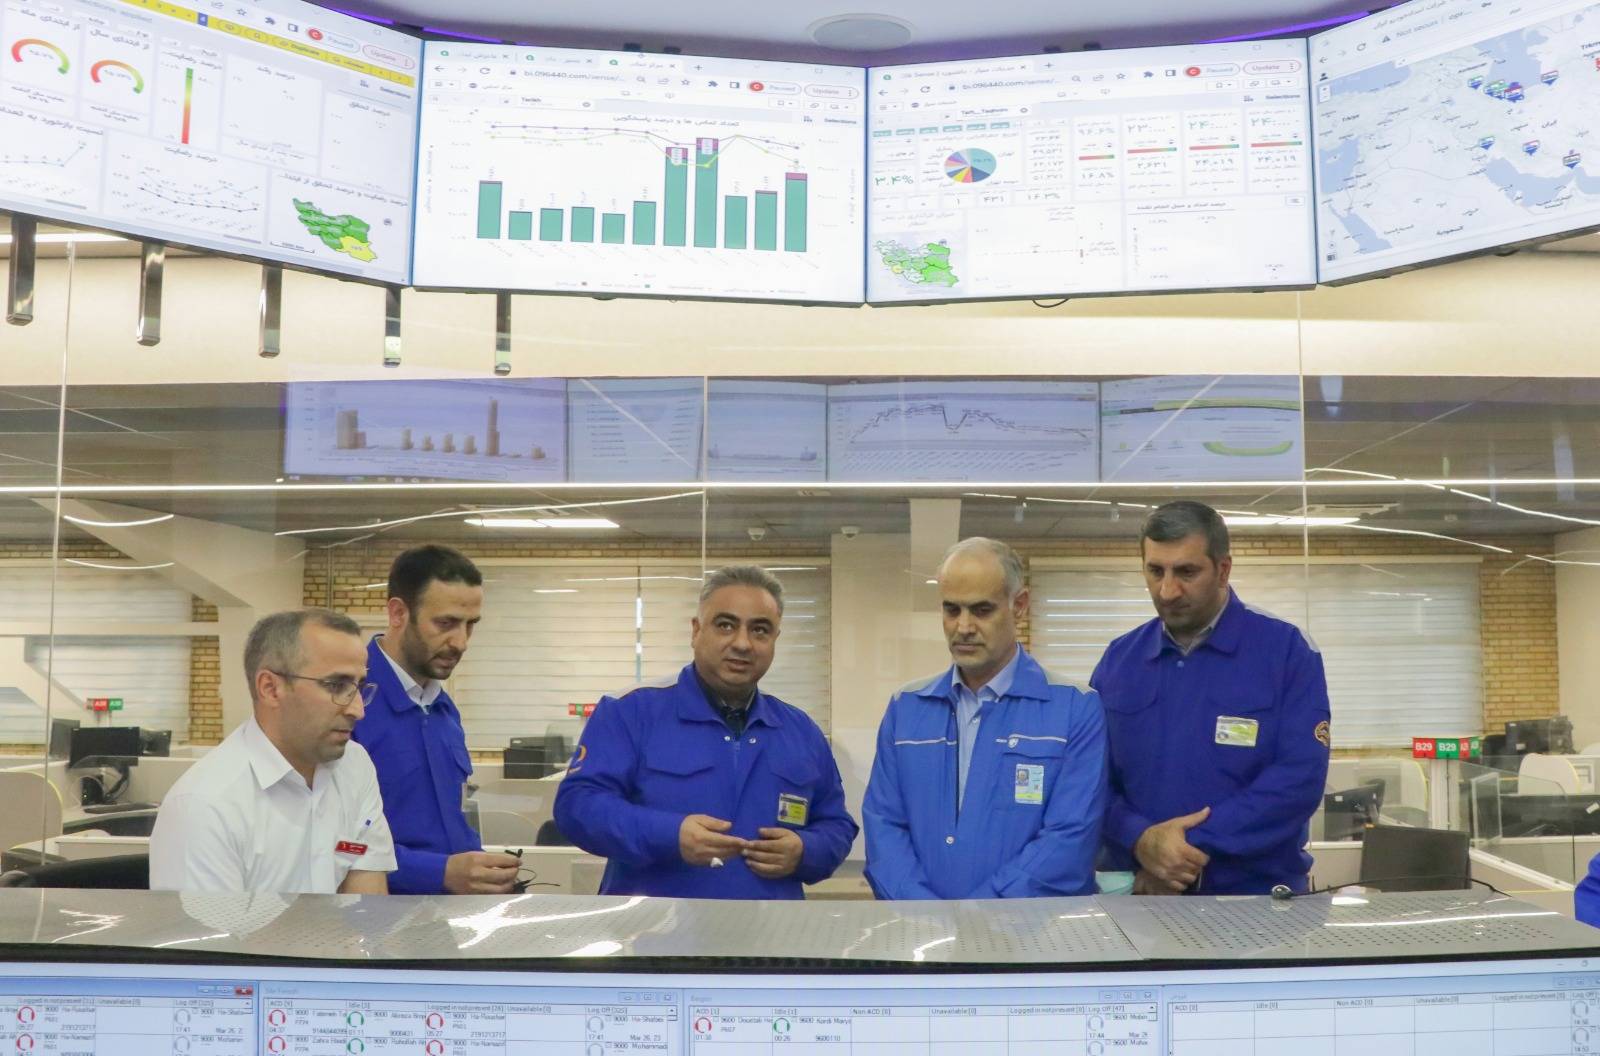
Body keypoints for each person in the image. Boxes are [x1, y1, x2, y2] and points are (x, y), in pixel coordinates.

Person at [554, 565, 857, 898]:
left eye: (760, 630)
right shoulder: (630, 712)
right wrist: (670, 835)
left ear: (774, 640)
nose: (742, 643)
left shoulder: (800, 731)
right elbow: (578, 807)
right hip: (653, 926)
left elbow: (836, 825)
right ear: (696, 631)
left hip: (770, 927)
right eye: (725, 625)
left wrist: (805, 849)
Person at [1092, 500, 1331, 895]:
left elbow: (1297, 779)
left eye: (1186, 572)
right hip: (1143, 894)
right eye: (1155, 571)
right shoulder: (1120, 660)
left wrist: (1180, 849)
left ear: (1223, 569)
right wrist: (1140, 839)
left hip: (1256, 901)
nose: (1168, 591)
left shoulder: (1285, 651)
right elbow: (1090, 777)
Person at [863, 537, 1107, 899]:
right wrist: (925, 913)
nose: (963, 627)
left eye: (981, 610)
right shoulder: (907, 709)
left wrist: (978, 916)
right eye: (952, 610)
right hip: (922, 927)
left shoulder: (1075, 709)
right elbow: (884, 827)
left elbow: (1069, 839)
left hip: (1031, 930)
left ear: (1018, 606)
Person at [150, 609, 395, 894]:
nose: (358, 710)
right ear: (270, 688)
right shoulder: (204, 807)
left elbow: (366, 907)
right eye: (337, 685)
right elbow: (212, 925)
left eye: (359, 686)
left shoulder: (354, 764)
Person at [353, 545, 519, 895]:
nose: (461, 642)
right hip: (375, 916)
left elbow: (454, 818)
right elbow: (332, 842)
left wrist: (481, 869)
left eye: (470, 625)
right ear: (398, 613)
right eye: (445, 623)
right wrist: (437, 872)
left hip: (450, 913)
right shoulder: (347, 703)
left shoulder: (444, 710)